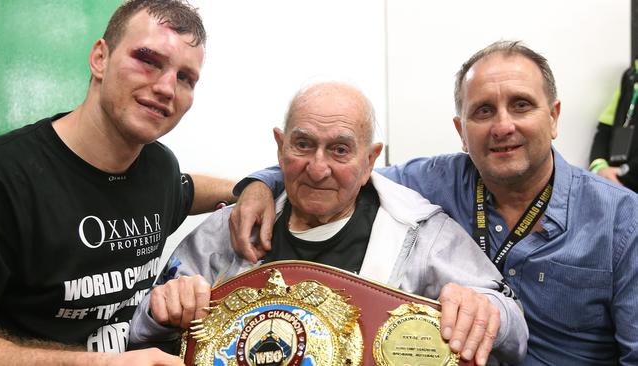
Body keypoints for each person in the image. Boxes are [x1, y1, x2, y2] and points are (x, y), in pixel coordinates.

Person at [230, 41, 638, 365]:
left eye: (521, 105)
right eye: (482, 111)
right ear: (461, 131)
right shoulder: (431, 180)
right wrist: (261, 183)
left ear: (554, 117)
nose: (502, 126)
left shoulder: (623, 220)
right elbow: (340, 170)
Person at [129, 82, 528, 365]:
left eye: (339, 150)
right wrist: (163, 308)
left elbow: (512, 327)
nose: (318, 168)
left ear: (370, 159)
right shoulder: (229, 228)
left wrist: (484, 308)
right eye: (303, 145)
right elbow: (142, 329)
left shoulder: (421, 232)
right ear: (280, 146)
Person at [0, 1, 235, 364]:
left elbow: (188, 191)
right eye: (148, 60)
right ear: (100, 58)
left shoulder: (159, 168)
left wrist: (254, 187)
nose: (167, 87)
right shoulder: (3, 178)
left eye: (185, 78)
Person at [589, 62, 638, 192]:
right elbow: (605, 128)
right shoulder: (630, 77)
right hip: (617, 185)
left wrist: (624, 171)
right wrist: (599, 167)